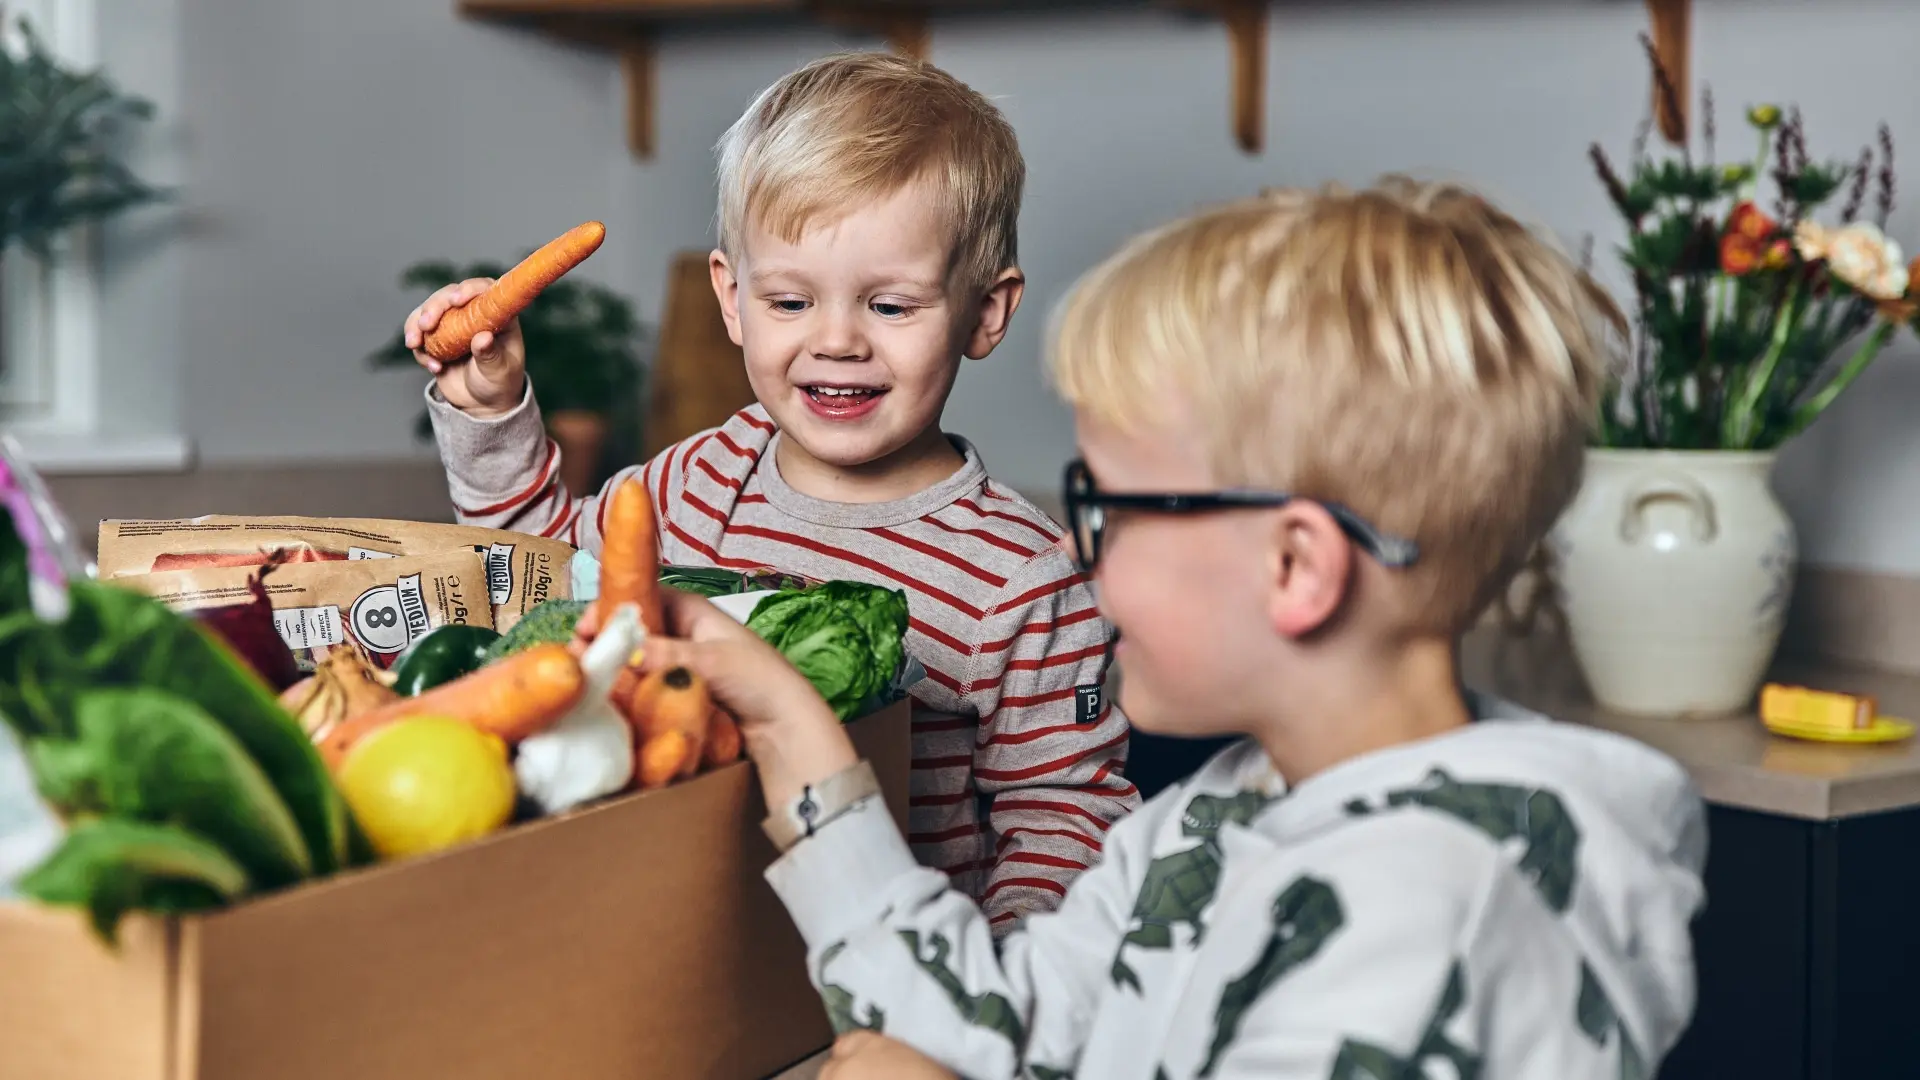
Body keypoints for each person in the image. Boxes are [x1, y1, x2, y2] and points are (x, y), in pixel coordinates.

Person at [635, 178, 1710, 1079]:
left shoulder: (1434, 921)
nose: (1080, 550)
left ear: (1296, 566)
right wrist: (795, 728)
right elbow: (1005, 1022)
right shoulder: (1215, 815)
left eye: (1111, 507)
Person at [401, 51, 1139, 931]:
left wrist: (987, 1000)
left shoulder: (1023, 578)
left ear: (985, 311)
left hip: (882, 985)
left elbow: (1064, 818)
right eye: (790, 302)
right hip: (672, 936)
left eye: (892, 307)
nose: (837, 342)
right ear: (732, 299)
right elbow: (536, 576)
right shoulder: (701, 476)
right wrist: (489, 410)